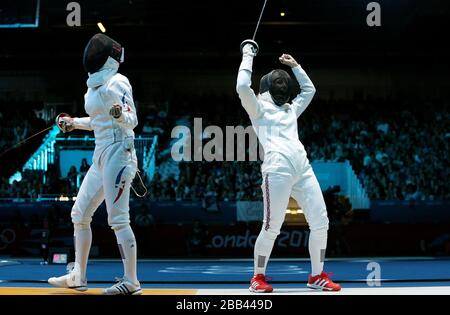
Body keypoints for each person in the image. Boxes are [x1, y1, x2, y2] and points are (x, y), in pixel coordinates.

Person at [236, 41, 341, 292]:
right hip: (277, 171)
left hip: (303, 169)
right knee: (271, 226)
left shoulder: (290, 109)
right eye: (278, 83)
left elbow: (309, 90)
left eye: (284, 83)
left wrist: (296, 66)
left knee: (321, 222)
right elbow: (242, 86)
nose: (282, 86)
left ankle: (316, 276)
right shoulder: (258, 108)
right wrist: (247, 54)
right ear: (267, 87)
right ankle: (257, 277)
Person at [49, 33, 141, 295]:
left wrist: (120, 113)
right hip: (101, 155)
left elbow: (131, 120)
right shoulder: (94, 86)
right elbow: (99, 121)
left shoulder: (117, 81)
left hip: (119, 154)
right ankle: (78, 275)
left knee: (118, 220)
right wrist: (74, 123)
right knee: (79, 213)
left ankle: (132, 282)